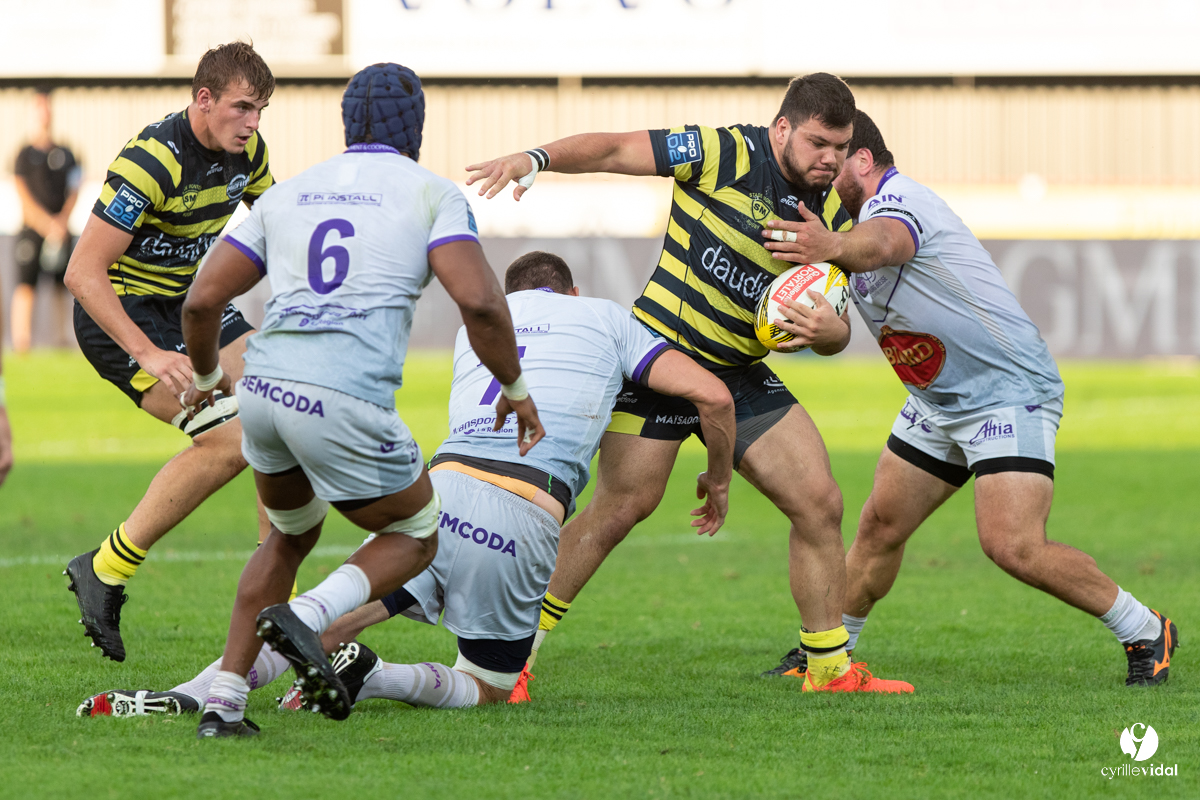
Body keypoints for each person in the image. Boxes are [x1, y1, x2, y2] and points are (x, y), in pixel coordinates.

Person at [76, 251, 735, 718]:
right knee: (487, 685)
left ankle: (196, 692)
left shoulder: (474, 332)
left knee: (338, 619)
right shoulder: (606, 317)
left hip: (439, 496)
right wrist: (718, 476)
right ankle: (378, 676)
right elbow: (712, 396)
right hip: (525, 511)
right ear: (572, 292)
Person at [466, 73, 911, 692]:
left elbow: (837, 331)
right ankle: (510, 662)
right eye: (817, 143)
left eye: (840, 147)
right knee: (620, 508)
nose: (830, 160)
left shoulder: (831, 213)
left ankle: (829, 669)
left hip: (738, 370)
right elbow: (615, 149)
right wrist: (536, 158)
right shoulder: (723, 152)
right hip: (661, 359)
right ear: (782, 128)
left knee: (820, 502)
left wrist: (828, 332)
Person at [177, 62, 545, 738]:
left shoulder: (288, 192)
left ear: (347, 124)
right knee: (416, 532)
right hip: (343, 394)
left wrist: (205, 381)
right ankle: (308, 617)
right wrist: (515, 388)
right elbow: (480, 302)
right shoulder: (432, 193)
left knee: (290, 535)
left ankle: (223, 703)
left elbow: (201, 299)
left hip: (263, 390)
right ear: (417, 129)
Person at [758, 110, 1177, 687]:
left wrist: (829, 244)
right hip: (937, 402)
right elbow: (847, 317)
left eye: (838, 155)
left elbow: (887, 243)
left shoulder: (899, 201)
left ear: (864, 159)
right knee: (879, 526)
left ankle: (1146, 628)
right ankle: (832, 654)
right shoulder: (846, 229)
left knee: (1013, 544)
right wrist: (827, 325)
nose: (826, 167)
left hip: (1006, 391)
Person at [63, 42, 276, 664]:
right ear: (203, 99)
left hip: (189, 305)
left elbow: (280, 226)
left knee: (279, 407)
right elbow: (82, 273)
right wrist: (150, 354)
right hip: (122, 315)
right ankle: (104, 567)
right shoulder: (151, 161)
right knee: (233, 441)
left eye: (259, 110)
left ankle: (276, 597)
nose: (252, 123)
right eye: (241, 107)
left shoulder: (249, 153)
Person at [11, 88, 81, 352]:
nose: (44, 113)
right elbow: (23, 195)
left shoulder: (66, 153)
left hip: (60, 230)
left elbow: (74, 190)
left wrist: (60, 223)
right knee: (25, 285)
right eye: (39, 108)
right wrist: (45, 225)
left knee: (62, 285)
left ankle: (62, 339)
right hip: (32, 230)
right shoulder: (23, 154)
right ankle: (22, 341)